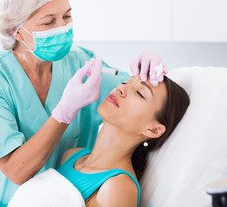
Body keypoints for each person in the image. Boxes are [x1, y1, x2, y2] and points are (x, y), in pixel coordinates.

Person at [0, 0, 168, 207]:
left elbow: (138, 96)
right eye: (49, 21)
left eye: (67, 17)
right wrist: (64, 111)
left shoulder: (79, 62)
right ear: (15, 30)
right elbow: (16, 171)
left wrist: (145, 70)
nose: (62, 28)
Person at [56, 74, 190, 206]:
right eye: (126, 82)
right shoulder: (71, 155)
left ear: (153, 130)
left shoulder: (117, 188)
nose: (120, 87)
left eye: (139, 93)